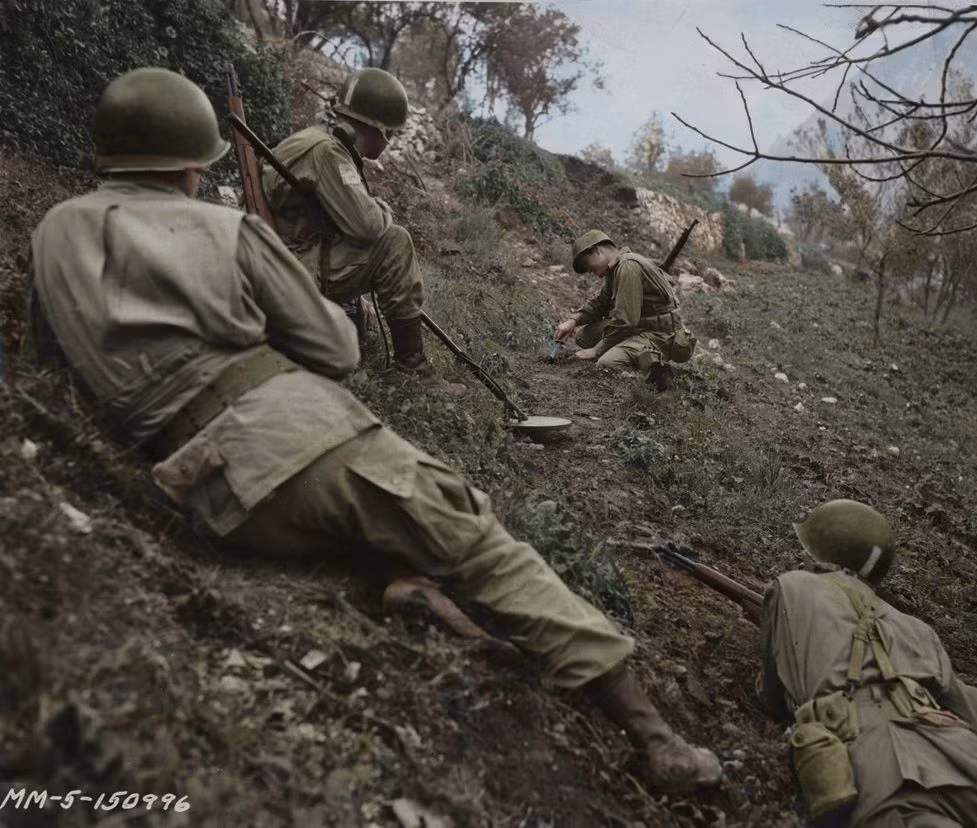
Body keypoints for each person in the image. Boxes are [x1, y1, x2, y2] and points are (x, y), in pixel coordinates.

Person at [25, 67, 722, 797]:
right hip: (290, 427)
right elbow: (337, 350)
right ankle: (654, 734)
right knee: (476, 534)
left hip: (200, 487)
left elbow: (47, 374)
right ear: (196, 164)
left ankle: (400, 586)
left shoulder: (52, 234)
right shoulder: (225, 228)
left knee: (343, 520)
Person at [757, 499, 977, 827]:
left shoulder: (791, 586)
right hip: (967, 763)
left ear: (819, 554)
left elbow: (773, 697)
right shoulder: (917, 628)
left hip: (879, 767)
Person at [260, 67, 464, 396]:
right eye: (390, 134)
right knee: (394, 241)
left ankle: (404, 361)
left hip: (279, 258)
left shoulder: (315, 140)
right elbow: (368, 226)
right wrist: (381, 207)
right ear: (377, 128)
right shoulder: (327, 151)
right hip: (290, 268)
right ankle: (411, 369)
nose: (389, 142)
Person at [554, 230, 695, 392]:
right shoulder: (616, 268)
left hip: (661, 335)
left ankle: (657, 369)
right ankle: (629, 352)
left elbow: (625, 321)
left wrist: (596, 350)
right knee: (583, 336)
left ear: (597, 251)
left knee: (606, 363)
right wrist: (574, 320)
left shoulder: (628, 266)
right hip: (641, 327)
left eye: (590, 267)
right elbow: (601, 303)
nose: (595, 274)